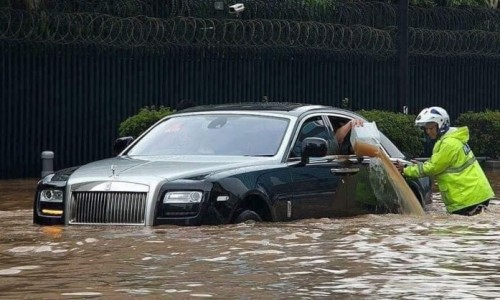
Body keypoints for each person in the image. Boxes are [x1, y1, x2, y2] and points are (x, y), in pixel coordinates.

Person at [396, 106, 494, 216]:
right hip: (474, 195)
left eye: (431, 128)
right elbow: (438, 162)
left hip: (467, 198)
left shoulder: (448, 144)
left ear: (441, 125)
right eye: (426, 129)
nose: (428, 131)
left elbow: (433, 168)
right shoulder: (451, 140)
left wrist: (405, 170)